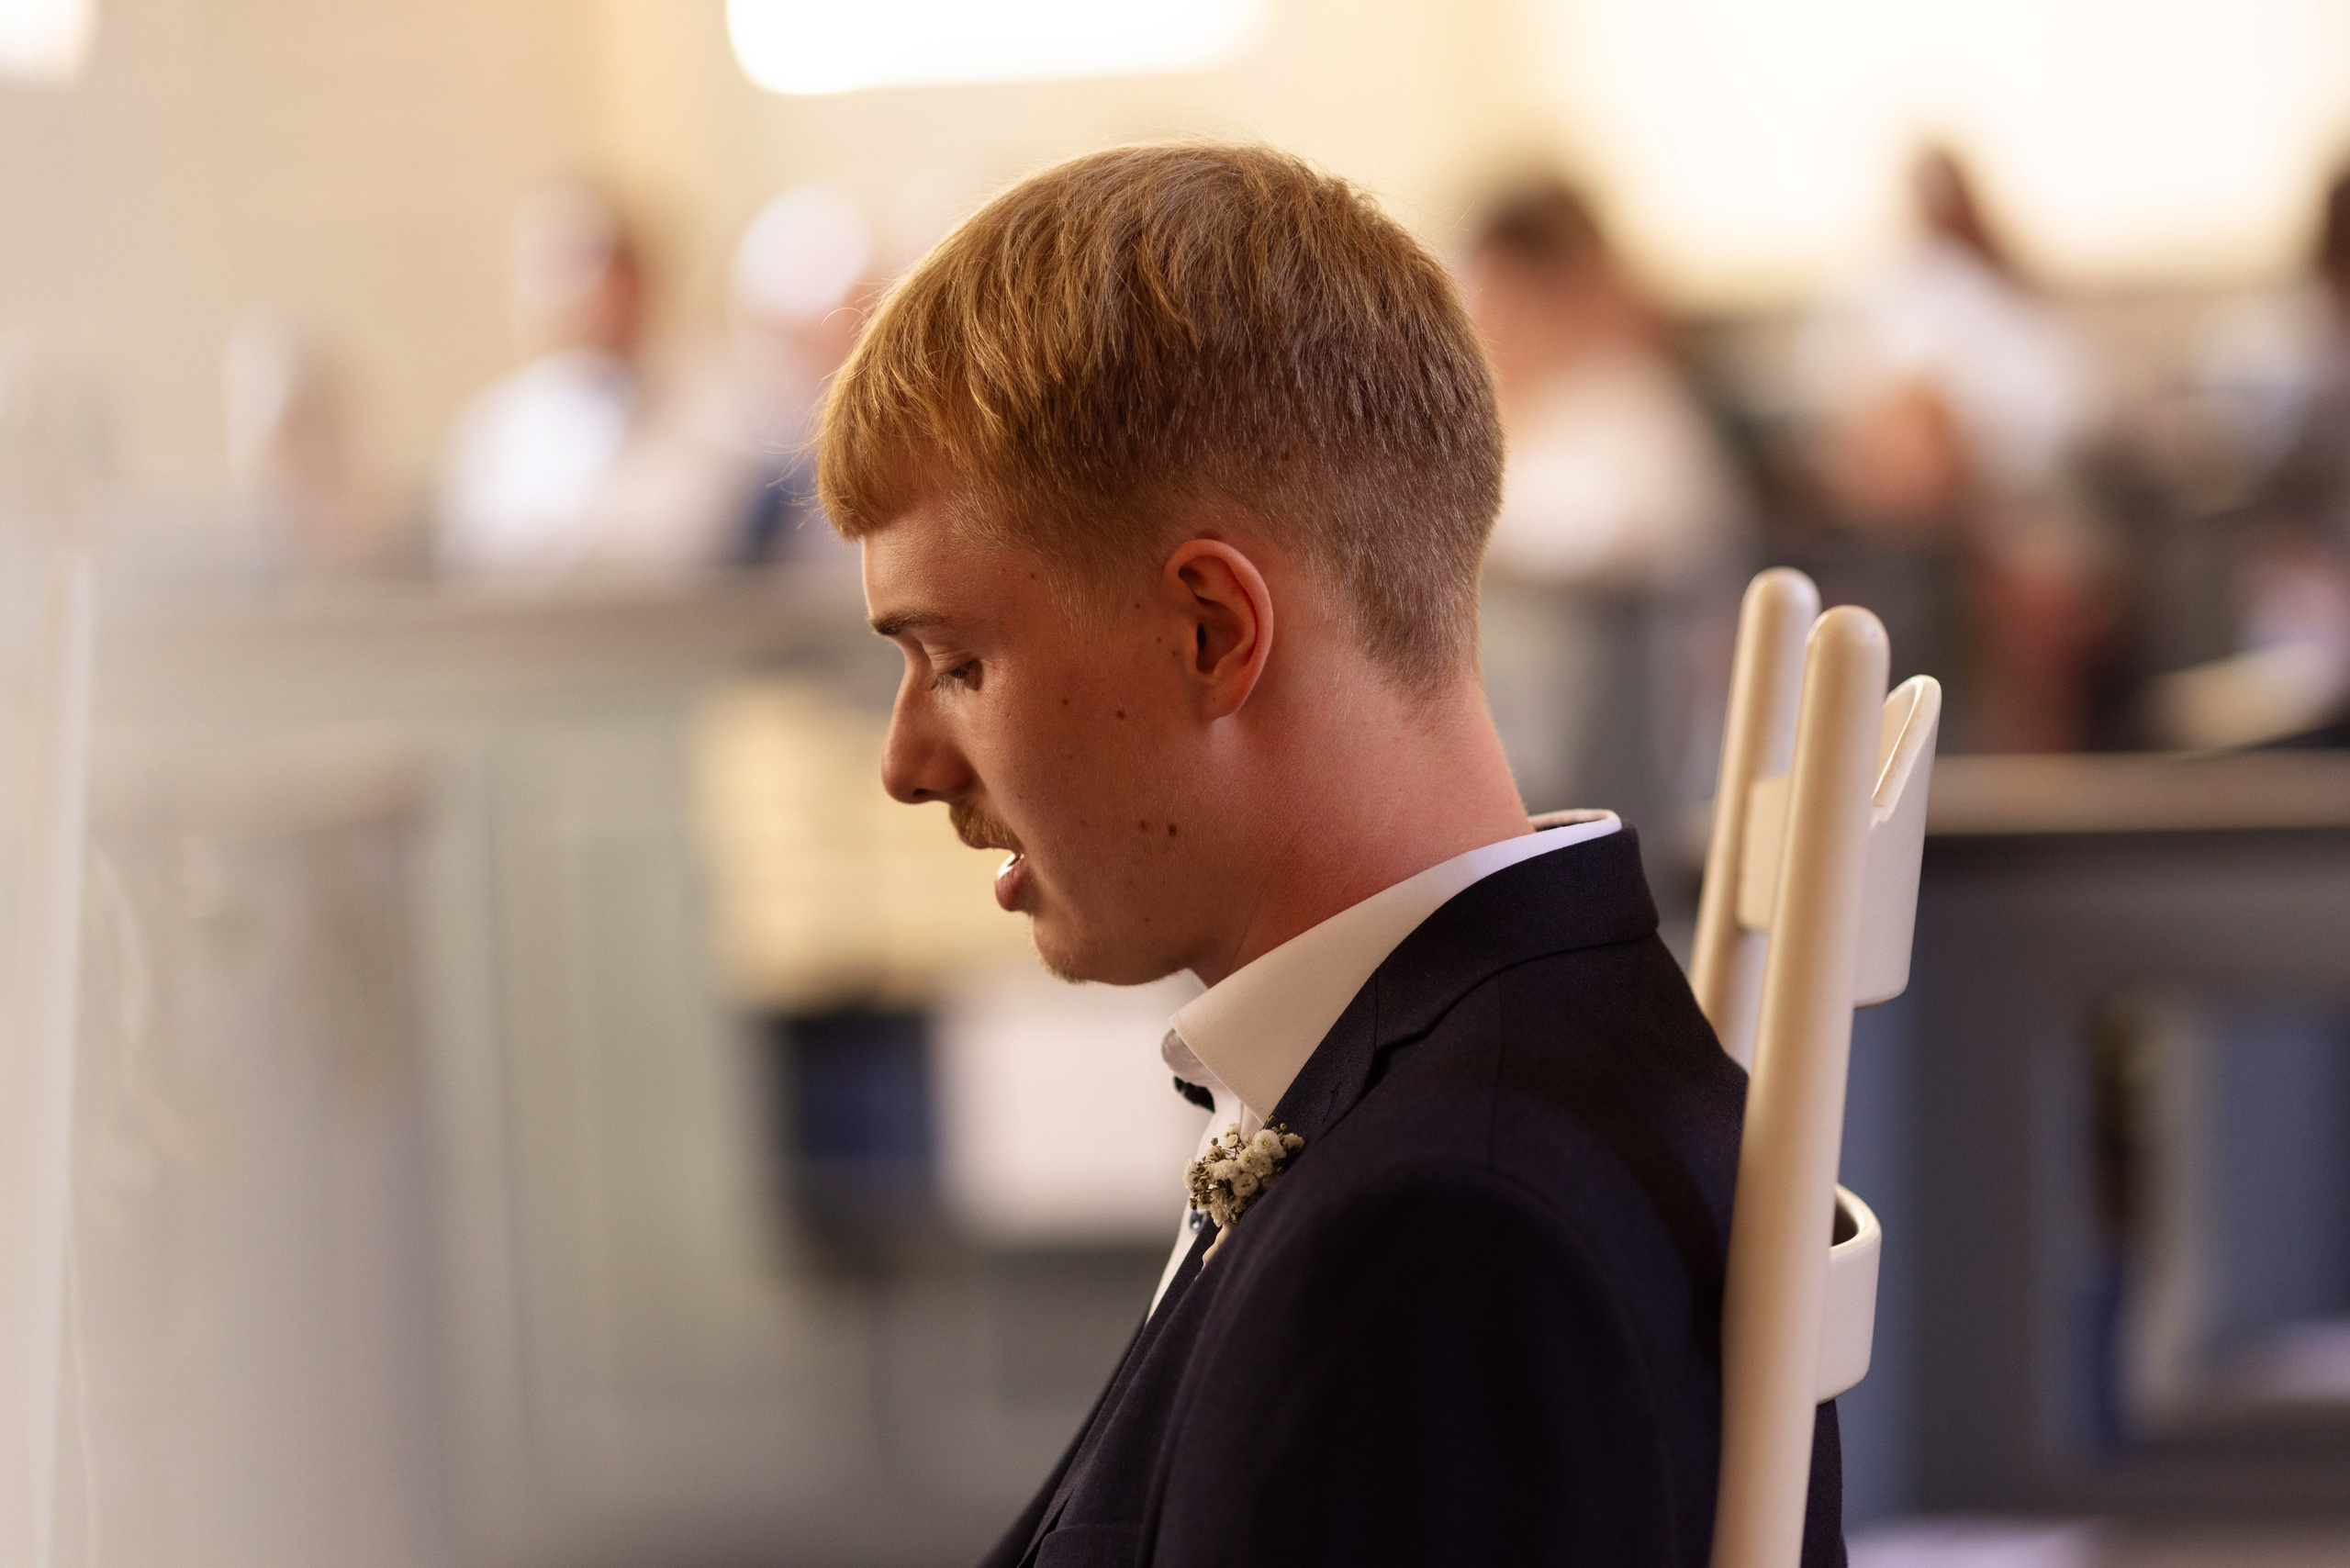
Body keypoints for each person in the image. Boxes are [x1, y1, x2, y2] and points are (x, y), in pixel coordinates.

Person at [820, 143, 1842, 1566]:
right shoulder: (1505, 1058)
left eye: (958, 662)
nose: (907, 763)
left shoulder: (1440, 1234)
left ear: (1214, 634)